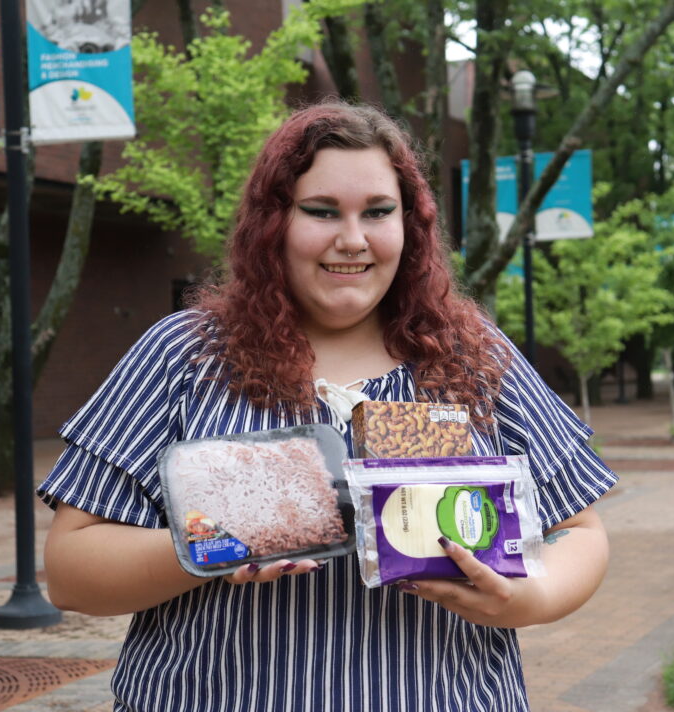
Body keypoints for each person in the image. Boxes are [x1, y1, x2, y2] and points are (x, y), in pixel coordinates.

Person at [39, 102, 618, 712]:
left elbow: (580, 529)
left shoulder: (474, 356)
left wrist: (530, 596)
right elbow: (71, 573)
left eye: (377, 211)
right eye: (321, 211)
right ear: (274, 222)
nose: (352, 239)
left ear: (410, 223)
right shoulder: (184, 356)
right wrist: (213, 539)